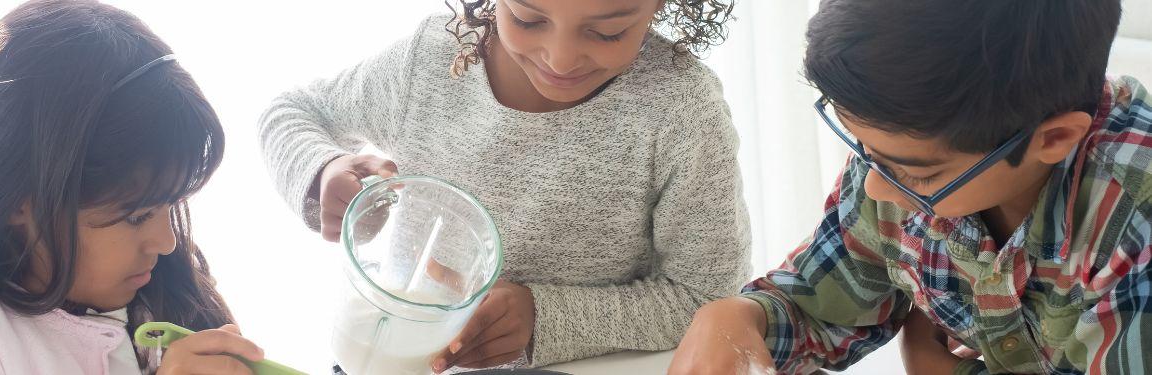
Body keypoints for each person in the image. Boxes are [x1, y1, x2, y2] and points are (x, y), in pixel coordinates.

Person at [260, 0, 752, 369]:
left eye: (608, 32)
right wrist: (323, 169)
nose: (560, 60)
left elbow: (708, 299)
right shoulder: (431, 61)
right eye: (528, 18)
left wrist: (545, 316)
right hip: (386, 353)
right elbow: (292, 113)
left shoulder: (681, 111)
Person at [670, 0, 1151, 374]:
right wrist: (742, 318)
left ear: (1056, 138)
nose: (875, 187)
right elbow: (823, 304)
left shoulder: (1134, 219)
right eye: (862, 147)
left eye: (916, 173)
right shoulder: (911, 147)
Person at [0, 1, 262, 373]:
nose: (167, 241)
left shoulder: (162, 301)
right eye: (137, 216)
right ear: (16, 198)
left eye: (172, 205)